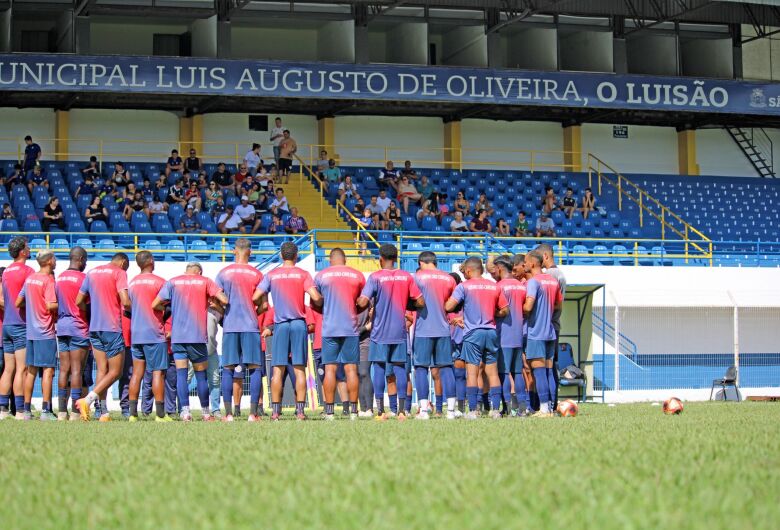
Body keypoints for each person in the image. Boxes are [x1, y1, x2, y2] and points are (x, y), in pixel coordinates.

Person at [253, 242, 321, 421]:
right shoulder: (303, 274)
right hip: (299, 324)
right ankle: (300, 412)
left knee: (278, 370)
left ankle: (275, 412)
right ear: (296, 256)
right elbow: (315, 297)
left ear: (281, 256)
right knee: (299, 369)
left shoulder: (272, 274)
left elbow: (255, 296)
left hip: (280, 325)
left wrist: (265, 302)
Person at [152, 262, 227, 422]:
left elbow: (155, 304)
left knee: (181, 375)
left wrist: (170, 307)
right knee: (201, 376)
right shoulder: (205, 281)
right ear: (199, 272)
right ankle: (206, 413)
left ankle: (185, 412)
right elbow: (223, 299)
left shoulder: (172, 282)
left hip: (178, 337)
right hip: (197, 337)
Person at [356, 244, 424, 419]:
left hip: (379, 332)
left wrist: (357, 299)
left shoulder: (375, 277)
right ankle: (402, 411)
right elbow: (421, 302)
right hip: (399, 332)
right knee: (400, 369)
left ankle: (381, 412)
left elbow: (363, 302)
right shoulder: (406, 276)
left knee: (378, 369)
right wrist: (406, 304)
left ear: (380, 259)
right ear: (395, 258)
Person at [444, 257, 508, 419]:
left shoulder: (463, 286)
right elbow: (505, 310)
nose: (464, 274)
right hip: (491, 332)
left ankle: (473, 410)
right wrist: (490, 313)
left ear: (471, 270)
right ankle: (495, 410)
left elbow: (448, 306)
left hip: (473, 333)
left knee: (472, 373)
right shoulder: (494, 286)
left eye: (465, 271)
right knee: (492, 373)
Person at [74, 252, 131, 421]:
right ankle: (88, 401)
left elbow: (79, 301)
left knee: (102, 370)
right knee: (116, 372)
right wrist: (137, 311)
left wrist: (93, 311)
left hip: (95, 327)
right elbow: (126, 301)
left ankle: (103, 412)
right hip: (111, 327)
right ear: (122, 262)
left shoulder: (91, 272)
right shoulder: (119, 273)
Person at [312, 248, 366, 421]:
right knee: (351, 369)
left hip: (330, 328)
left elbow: (315, 301)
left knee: (330, 369)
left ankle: (329, 412)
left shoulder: (321, 276)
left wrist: (326, 308)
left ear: (330, 260)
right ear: (345, 260)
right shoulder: (357, 275)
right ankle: (354, 412)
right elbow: (363, 301)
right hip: (350, 327)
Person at [216, 239, 265, 422]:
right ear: (250, 252)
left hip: (230, 326)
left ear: (234, 251)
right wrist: (253, 311)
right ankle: (253, 414)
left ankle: (228, 414)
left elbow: (216, 300)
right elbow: (264, 305)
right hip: (250, 326)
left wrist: (224, 313)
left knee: (228, 369)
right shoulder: (257, 274)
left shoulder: (224, 273)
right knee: (254, 369)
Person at [125, 251, 171, 422]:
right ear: (151, 261)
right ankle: (160, 414)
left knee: (137, 373)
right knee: (158, 373)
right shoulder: (160, 282)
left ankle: (132, 415)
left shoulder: (132, 283)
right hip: (154, 333)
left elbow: (127, 307)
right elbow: (166, 306)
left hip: (136, 333)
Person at [413, 251, 459, 420]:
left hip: (423, 330)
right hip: (443, 329)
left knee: (420, 368)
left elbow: (412, 301)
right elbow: (453, 305)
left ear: (420, 262)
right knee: (446, 368)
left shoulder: (417, 278)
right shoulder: (449, 279)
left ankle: (424, 411)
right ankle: (452, 411)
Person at [16, 250, 58, 421]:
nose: (55, 260)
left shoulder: (30, 279)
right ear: (48, 261)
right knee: (48, 371)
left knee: (30, 371)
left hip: (31, 332)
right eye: (54, 258)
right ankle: (46, 411)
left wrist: (34, 305)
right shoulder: (47, 280)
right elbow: (50, 305)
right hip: (45, 331)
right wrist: (59, 303)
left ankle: (26, 410)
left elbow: (19, 302)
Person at [522, 251, 563, 418]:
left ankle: (544, 409)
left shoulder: (533, 282)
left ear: (532, 264)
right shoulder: (553, 281)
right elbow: (559, 306)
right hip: (550, 332)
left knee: (538, 372)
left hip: (536, 332)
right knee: (548, 371)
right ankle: (551, 408)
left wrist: (521, 309)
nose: (523, 264)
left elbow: (528, 306)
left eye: (525, 262)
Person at [490, 255, 528, 416]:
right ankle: (522, 407)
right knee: (517, 372)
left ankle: (507, 408)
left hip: (503, 334)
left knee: (504, 372)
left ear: (499, 268)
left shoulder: (498, 287)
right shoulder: (521, 286)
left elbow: (495, 310)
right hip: (518, 334)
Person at [54, 247, 89, 421]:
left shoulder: (59, 278)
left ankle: (61, 412)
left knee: (64, 369)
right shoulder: (83, 278)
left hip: (62, 326)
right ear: (81, 259)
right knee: (77, 370)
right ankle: (75, 412)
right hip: (78, 326)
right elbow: (86, 304)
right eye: (86, 260)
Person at [0, 238, 33, 419]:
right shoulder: (28, 271)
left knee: (8, 369)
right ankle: (20, 410)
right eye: (27, 247)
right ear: (22, 251)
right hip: (21, 324)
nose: (29, 249)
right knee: (22, 369)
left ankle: (2, 409)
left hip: (7, 325)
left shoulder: (6, 272)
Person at [535, 243, 567, 412]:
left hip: (547, 327)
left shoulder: (551, 275)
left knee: (546, 366)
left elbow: (554, 303)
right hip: (553, 326)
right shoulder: (559, 274)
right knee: (550, 365)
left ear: (545, 256)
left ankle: (549, 404)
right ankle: (550, 405)